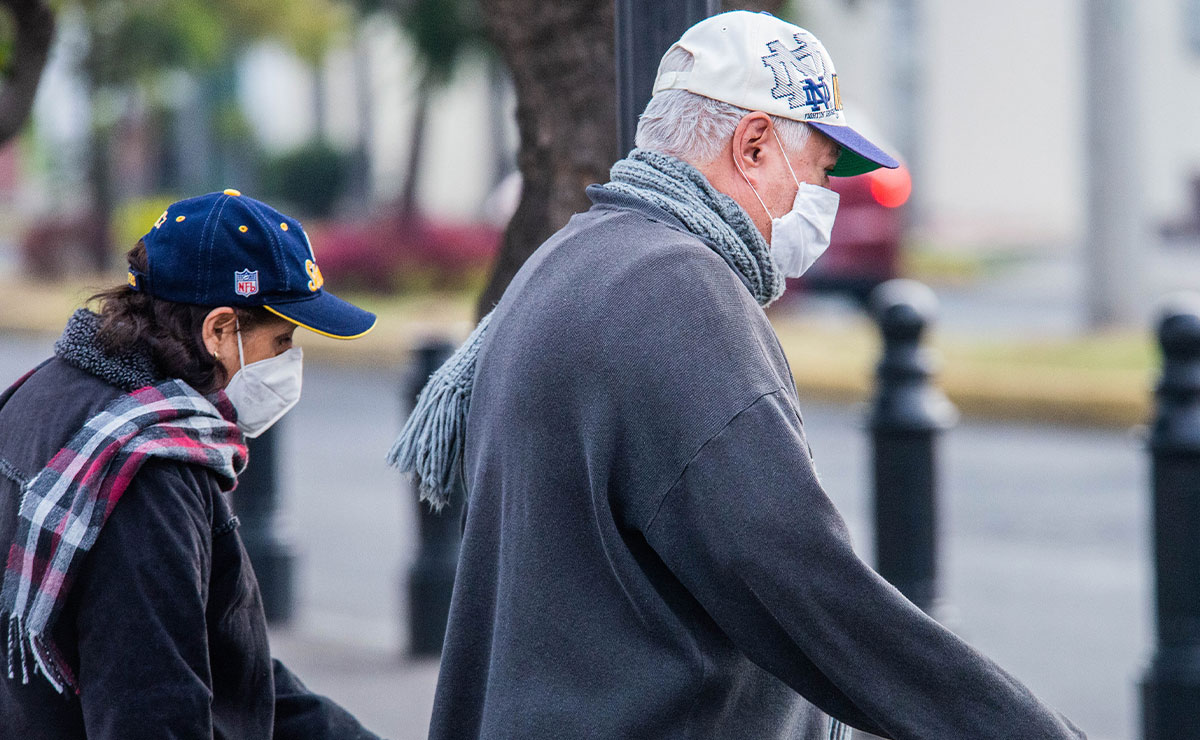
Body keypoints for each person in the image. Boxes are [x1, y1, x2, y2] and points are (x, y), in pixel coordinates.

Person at [391, 11, 1087, 740]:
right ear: (753, 146)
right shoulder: (677, 295)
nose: (820, 203)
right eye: (819, 172)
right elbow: (806, 588)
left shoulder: (569, 259)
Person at [0, 190, 383, 739]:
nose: (292, 360)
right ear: (220, 331)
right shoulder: (147, 471)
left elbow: (230, 668)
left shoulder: (43, 392)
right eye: (283, 338)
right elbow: (154, 708)